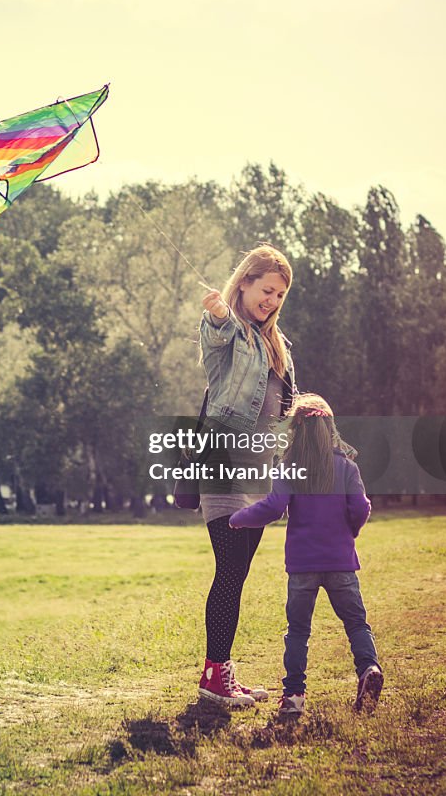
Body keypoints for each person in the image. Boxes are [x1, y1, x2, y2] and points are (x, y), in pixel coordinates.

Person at [229, 393, 383, 718]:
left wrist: (238, 518)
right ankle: (368, 669)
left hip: (302, 566)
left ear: (296, 431)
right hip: (341, 563)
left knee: (298, 630)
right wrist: (349, 534)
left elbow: (273, 507)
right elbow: (361, 508)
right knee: (356, 623)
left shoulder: (290, 468)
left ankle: (294, 697)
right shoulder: (347, 467)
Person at [196, 244, 296, 708]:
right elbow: (217, 333)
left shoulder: (279, 346)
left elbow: (283, 412)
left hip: (259, 475)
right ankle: (215, 678)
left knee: (237, 574)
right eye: (266, 290)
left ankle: (221, 674)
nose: (271, 300)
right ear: (245, 283)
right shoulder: (229, 332)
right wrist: (218, 313)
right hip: (223, 466)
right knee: (230, 571)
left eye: (279, 295)